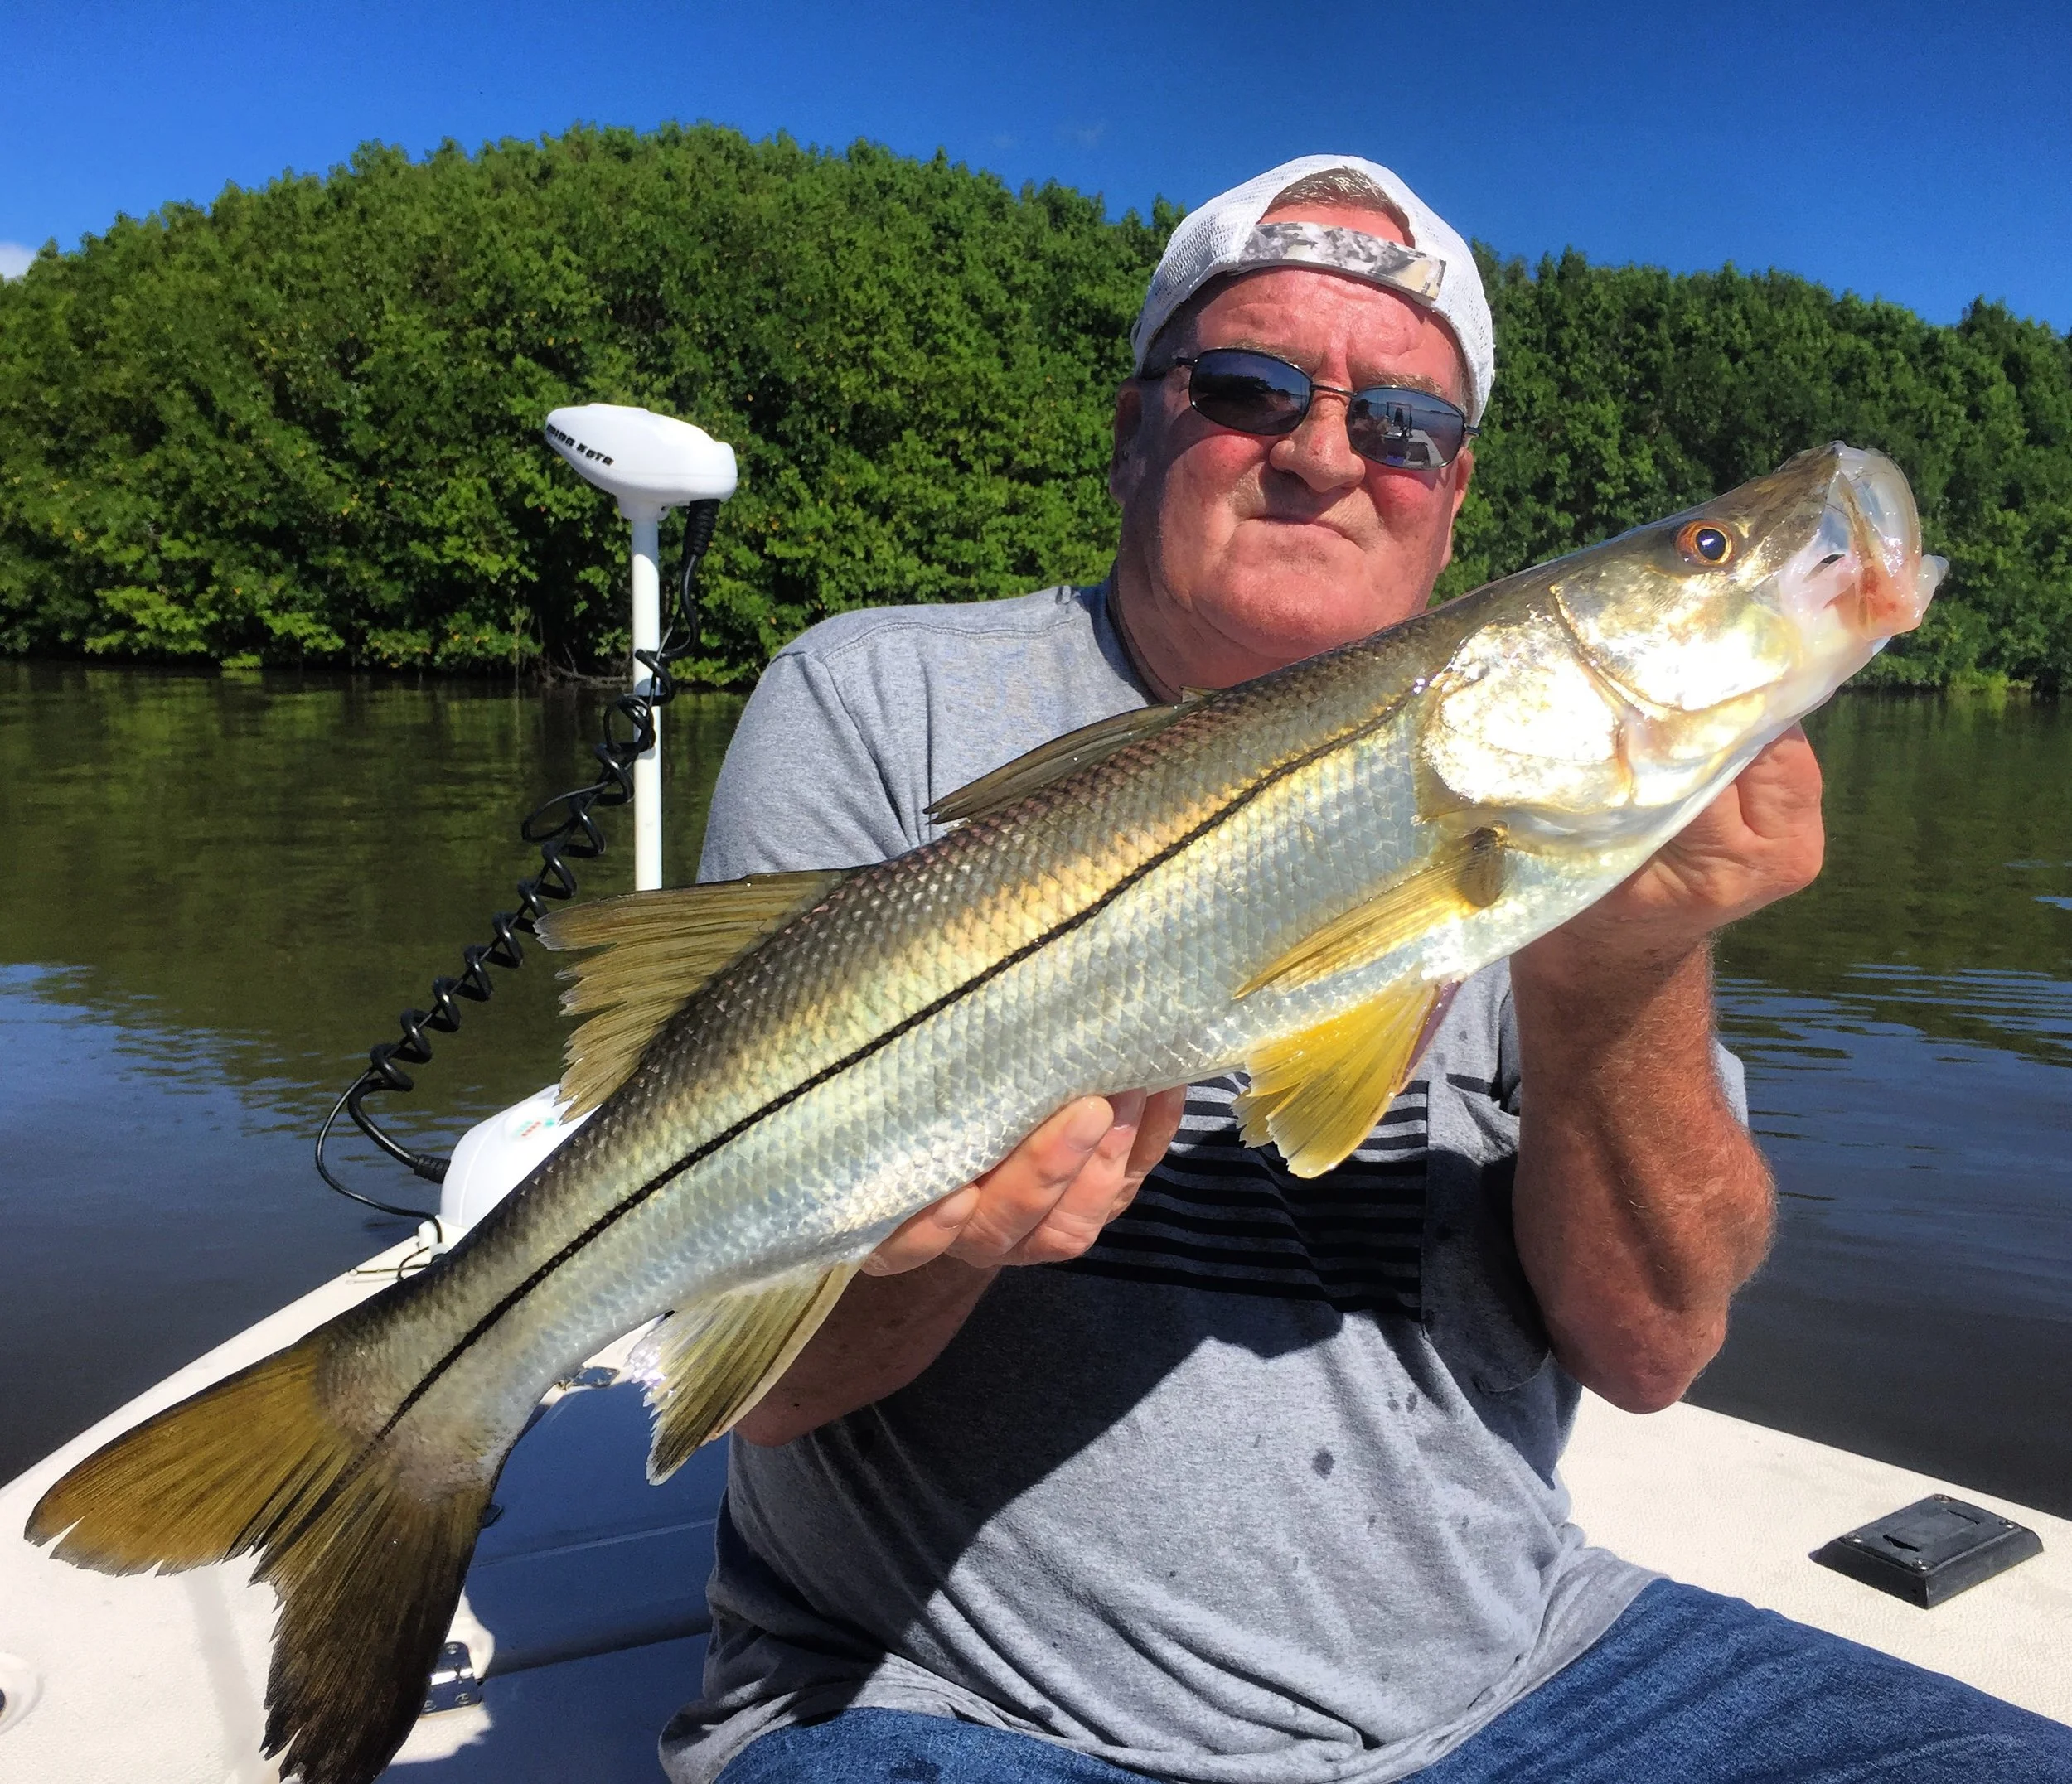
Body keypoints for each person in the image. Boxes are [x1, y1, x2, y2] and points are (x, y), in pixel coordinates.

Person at [661, 157, 2072, 1783]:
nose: (1323, 453)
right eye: (1246, 388)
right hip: (938, 1697)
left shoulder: (1570, 805)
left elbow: (1651, 1346)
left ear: (1453, 496)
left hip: (1533, 1677)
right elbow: (766, 1389)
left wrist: (1618, 958)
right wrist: (937, 1241)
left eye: (1399, 425)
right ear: (1132, 431)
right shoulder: (879, 703)